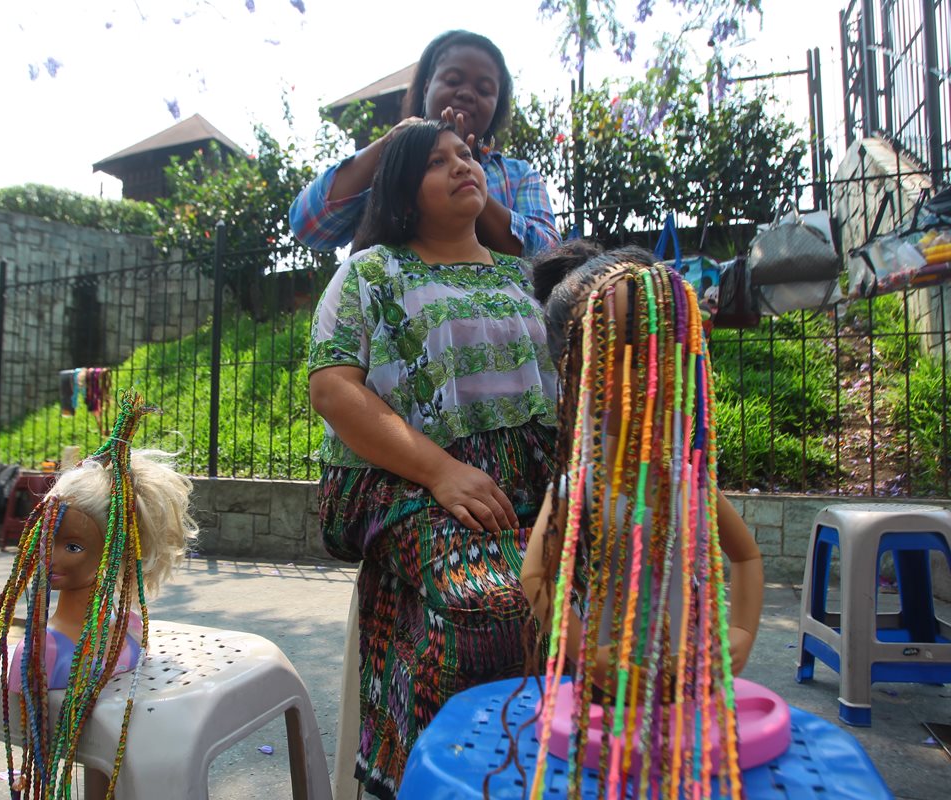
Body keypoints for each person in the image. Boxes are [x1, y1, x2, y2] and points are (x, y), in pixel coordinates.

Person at [309, 119, 557, 800]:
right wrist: (442, 471)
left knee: (631, 600)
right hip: (404, 482)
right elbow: (333, 387)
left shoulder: (527, 277)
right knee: (495, 609)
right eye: (436, 161)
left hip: (538, 485)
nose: (462, 165)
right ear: (401, 190)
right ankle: (438, 780)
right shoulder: (372, 273)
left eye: (467, 155)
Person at [519, 248, 763, 797]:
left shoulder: (688, 477)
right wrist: (587, 652)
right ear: (577, 366)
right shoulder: (583, 483)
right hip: (612, 684)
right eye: (622, 347)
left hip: (689, 673)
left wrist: (741, 634)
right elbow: (536, 577)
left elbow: (745, 556)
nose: (648, 362)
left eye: (664, 345)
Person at [0, 394, 197, 800]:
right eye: (47, 537)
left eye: (72, 546)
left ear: (113, 551)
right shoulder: (130, 629)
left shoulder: (42, 653)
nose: (50, 555)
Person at [290, 29, 560, 258]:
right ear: (427, 87)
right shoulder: (388, 166)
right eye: (453, 80)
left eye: (484, 89)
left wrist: (470, 184)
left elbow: (547, 256)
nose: (466, 93)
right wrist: (389, 145)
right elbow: (309, 227)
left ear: (497, 105)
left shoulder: (519, 175)